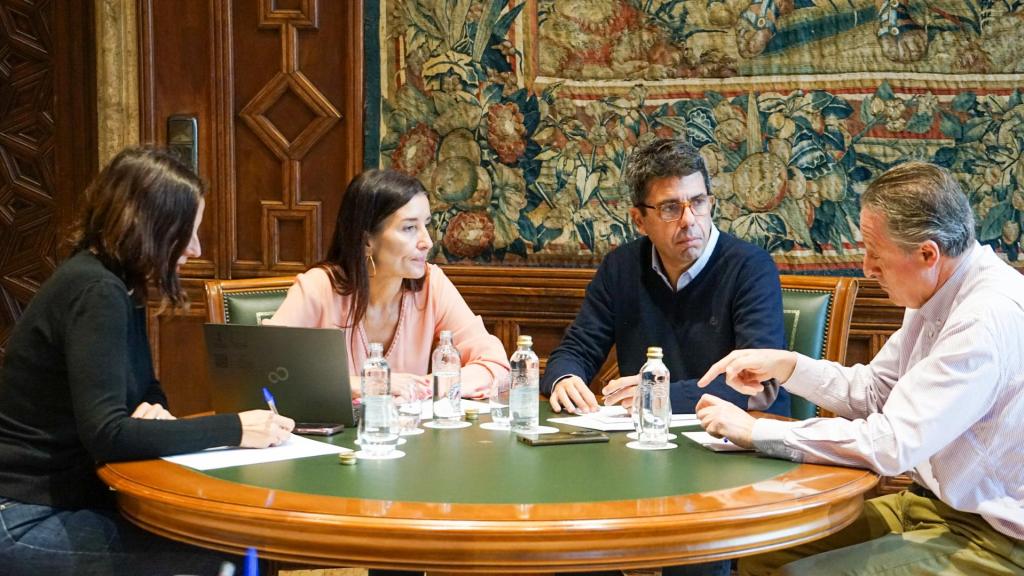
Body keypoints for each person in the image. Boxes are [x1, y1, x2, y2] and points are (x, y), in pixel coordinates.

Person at [696, 161, 1024, 575]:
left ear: (927, 253)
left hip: (994, 539)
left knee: (801, 575)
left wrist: (757, 431)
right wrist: (787, 365)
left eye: (875, 253)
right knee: (764, 547)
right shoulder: (938, 289)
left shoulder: (983, 318)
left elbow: (891, 443)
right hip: (927, 506)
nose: (865, 267)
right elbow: (874, 390)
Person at [0, 147, 295, 575]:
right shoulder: (96, 291)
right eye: (187, 232)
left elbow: (148, 392)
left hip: (67, 500)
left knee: (237, 545)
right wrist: (235, 427)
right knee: (227, 559)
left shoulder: (120, 285)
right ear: (150, 226)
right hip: (22, 515)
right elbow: (108, 434)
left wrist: (153, 416)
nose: (196, 248)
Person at [541, 137, 790, 419]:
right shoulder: (621, 266)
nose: (689, 220)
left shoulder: (751, 267)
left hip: (742, 441)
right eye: (670, 208)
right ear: (639, 220)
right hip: (648, 439)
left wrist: (657, 394)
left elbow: (755, 384)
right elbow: (576, 349)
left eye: (698, 202)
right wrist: (565, 379)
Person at [266, 168, 510, 401]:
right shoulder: (318, 287)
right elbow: (266, 370)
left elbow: (495, 364)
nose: (427, 242)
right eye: (409, 228)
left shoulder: (431, 284)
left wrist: (428, 386)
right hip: (332, 441)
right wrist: (370, 384)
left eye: (427, 224)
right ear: (366, 242)